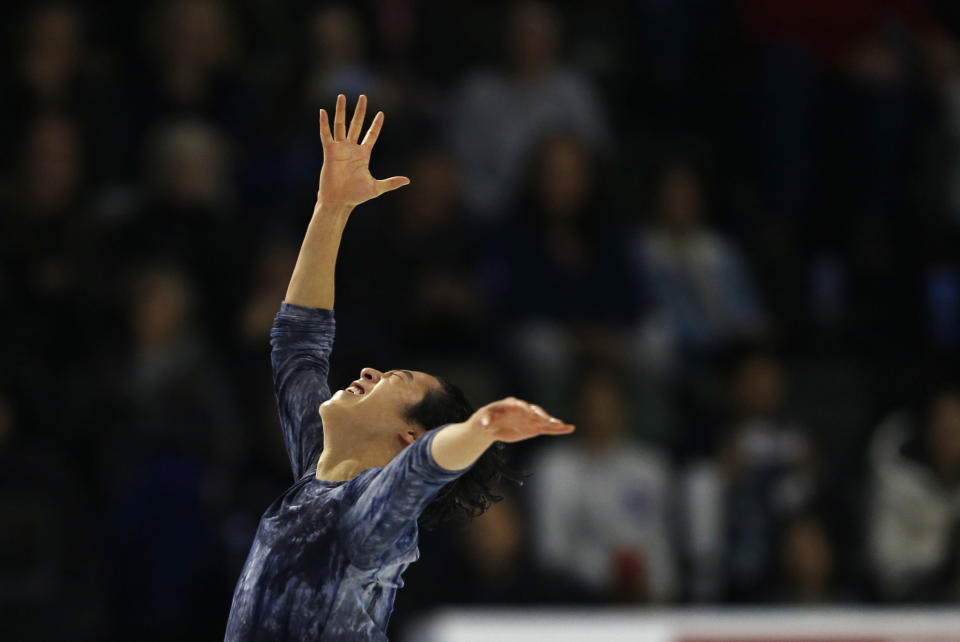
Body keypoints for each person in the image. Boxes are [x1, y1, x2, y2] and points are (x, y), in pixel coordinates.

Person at [223, 94, 575, 641]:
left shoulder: (367, 523)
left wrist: (479, 429)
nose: (368, 372)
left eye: (394, 380)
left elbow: (420, 472)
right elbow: (298, 344)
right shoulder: (319, 469)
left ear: (406, 435)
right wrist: (332, 208)